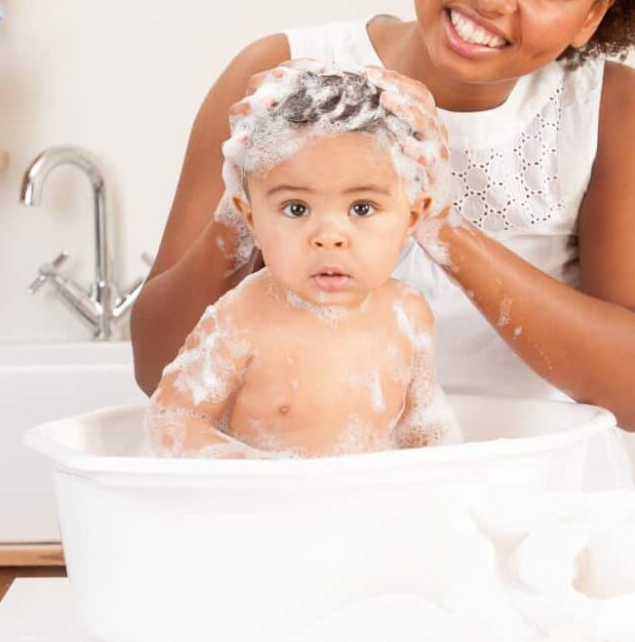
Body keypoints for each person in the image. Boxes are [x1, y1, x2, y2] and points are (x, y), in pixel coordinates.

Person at [131, 0, 635, 449]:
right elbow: (154, 362)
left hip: (520, 494)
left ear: (591, 15)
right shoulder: (280, 73)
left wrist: (439, 223)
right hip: (311, 497)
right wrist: (245, 194)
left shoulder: (610, 113)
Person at [145, 64, 462, 458]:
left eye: (362, 208)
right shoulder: (242, 317)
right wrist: (262, 474)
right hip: (266, 512)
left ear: (412, 218)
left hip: (366, 509)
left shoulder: (409, 315)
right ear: (250, 218)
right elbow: (172, 418)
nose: (328, 236)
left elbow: (424, 432)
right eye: (296, 208)